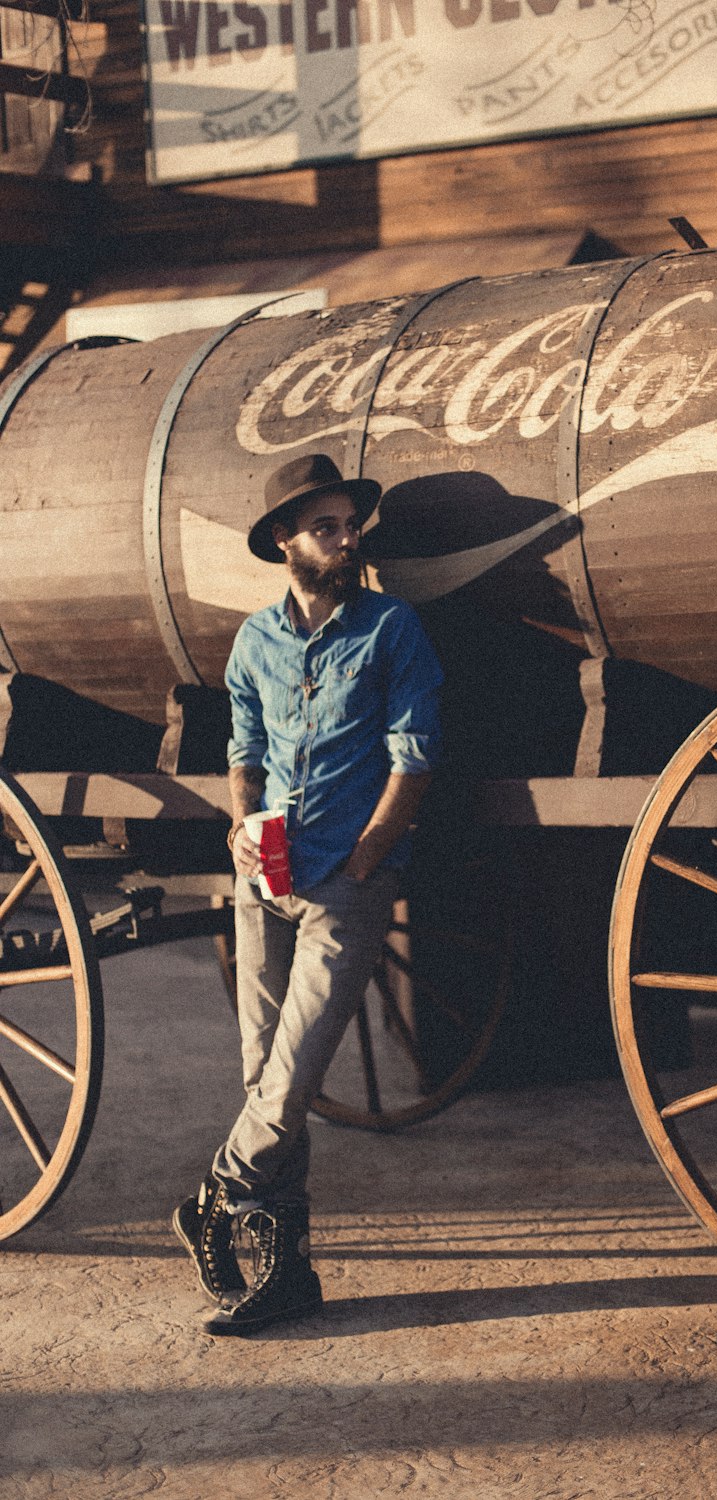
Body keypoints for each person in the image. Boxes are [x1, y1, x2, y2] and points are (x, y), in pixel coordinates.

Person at [172, 452, 443, 1335]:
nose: (345, 537)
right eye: (325, 526)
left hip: (344, 884)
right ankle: (287, 1274)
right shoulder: (255, 640)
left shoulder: (391, 628)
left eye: (349, 523)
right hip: (267, 877)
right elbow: (242, 742)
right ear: (285, 541)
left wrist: (364, 864)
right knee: (261, 1072)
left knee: (289, 1081)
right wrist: (242, 823)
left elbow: (415, 760)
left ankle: (214, 1196)